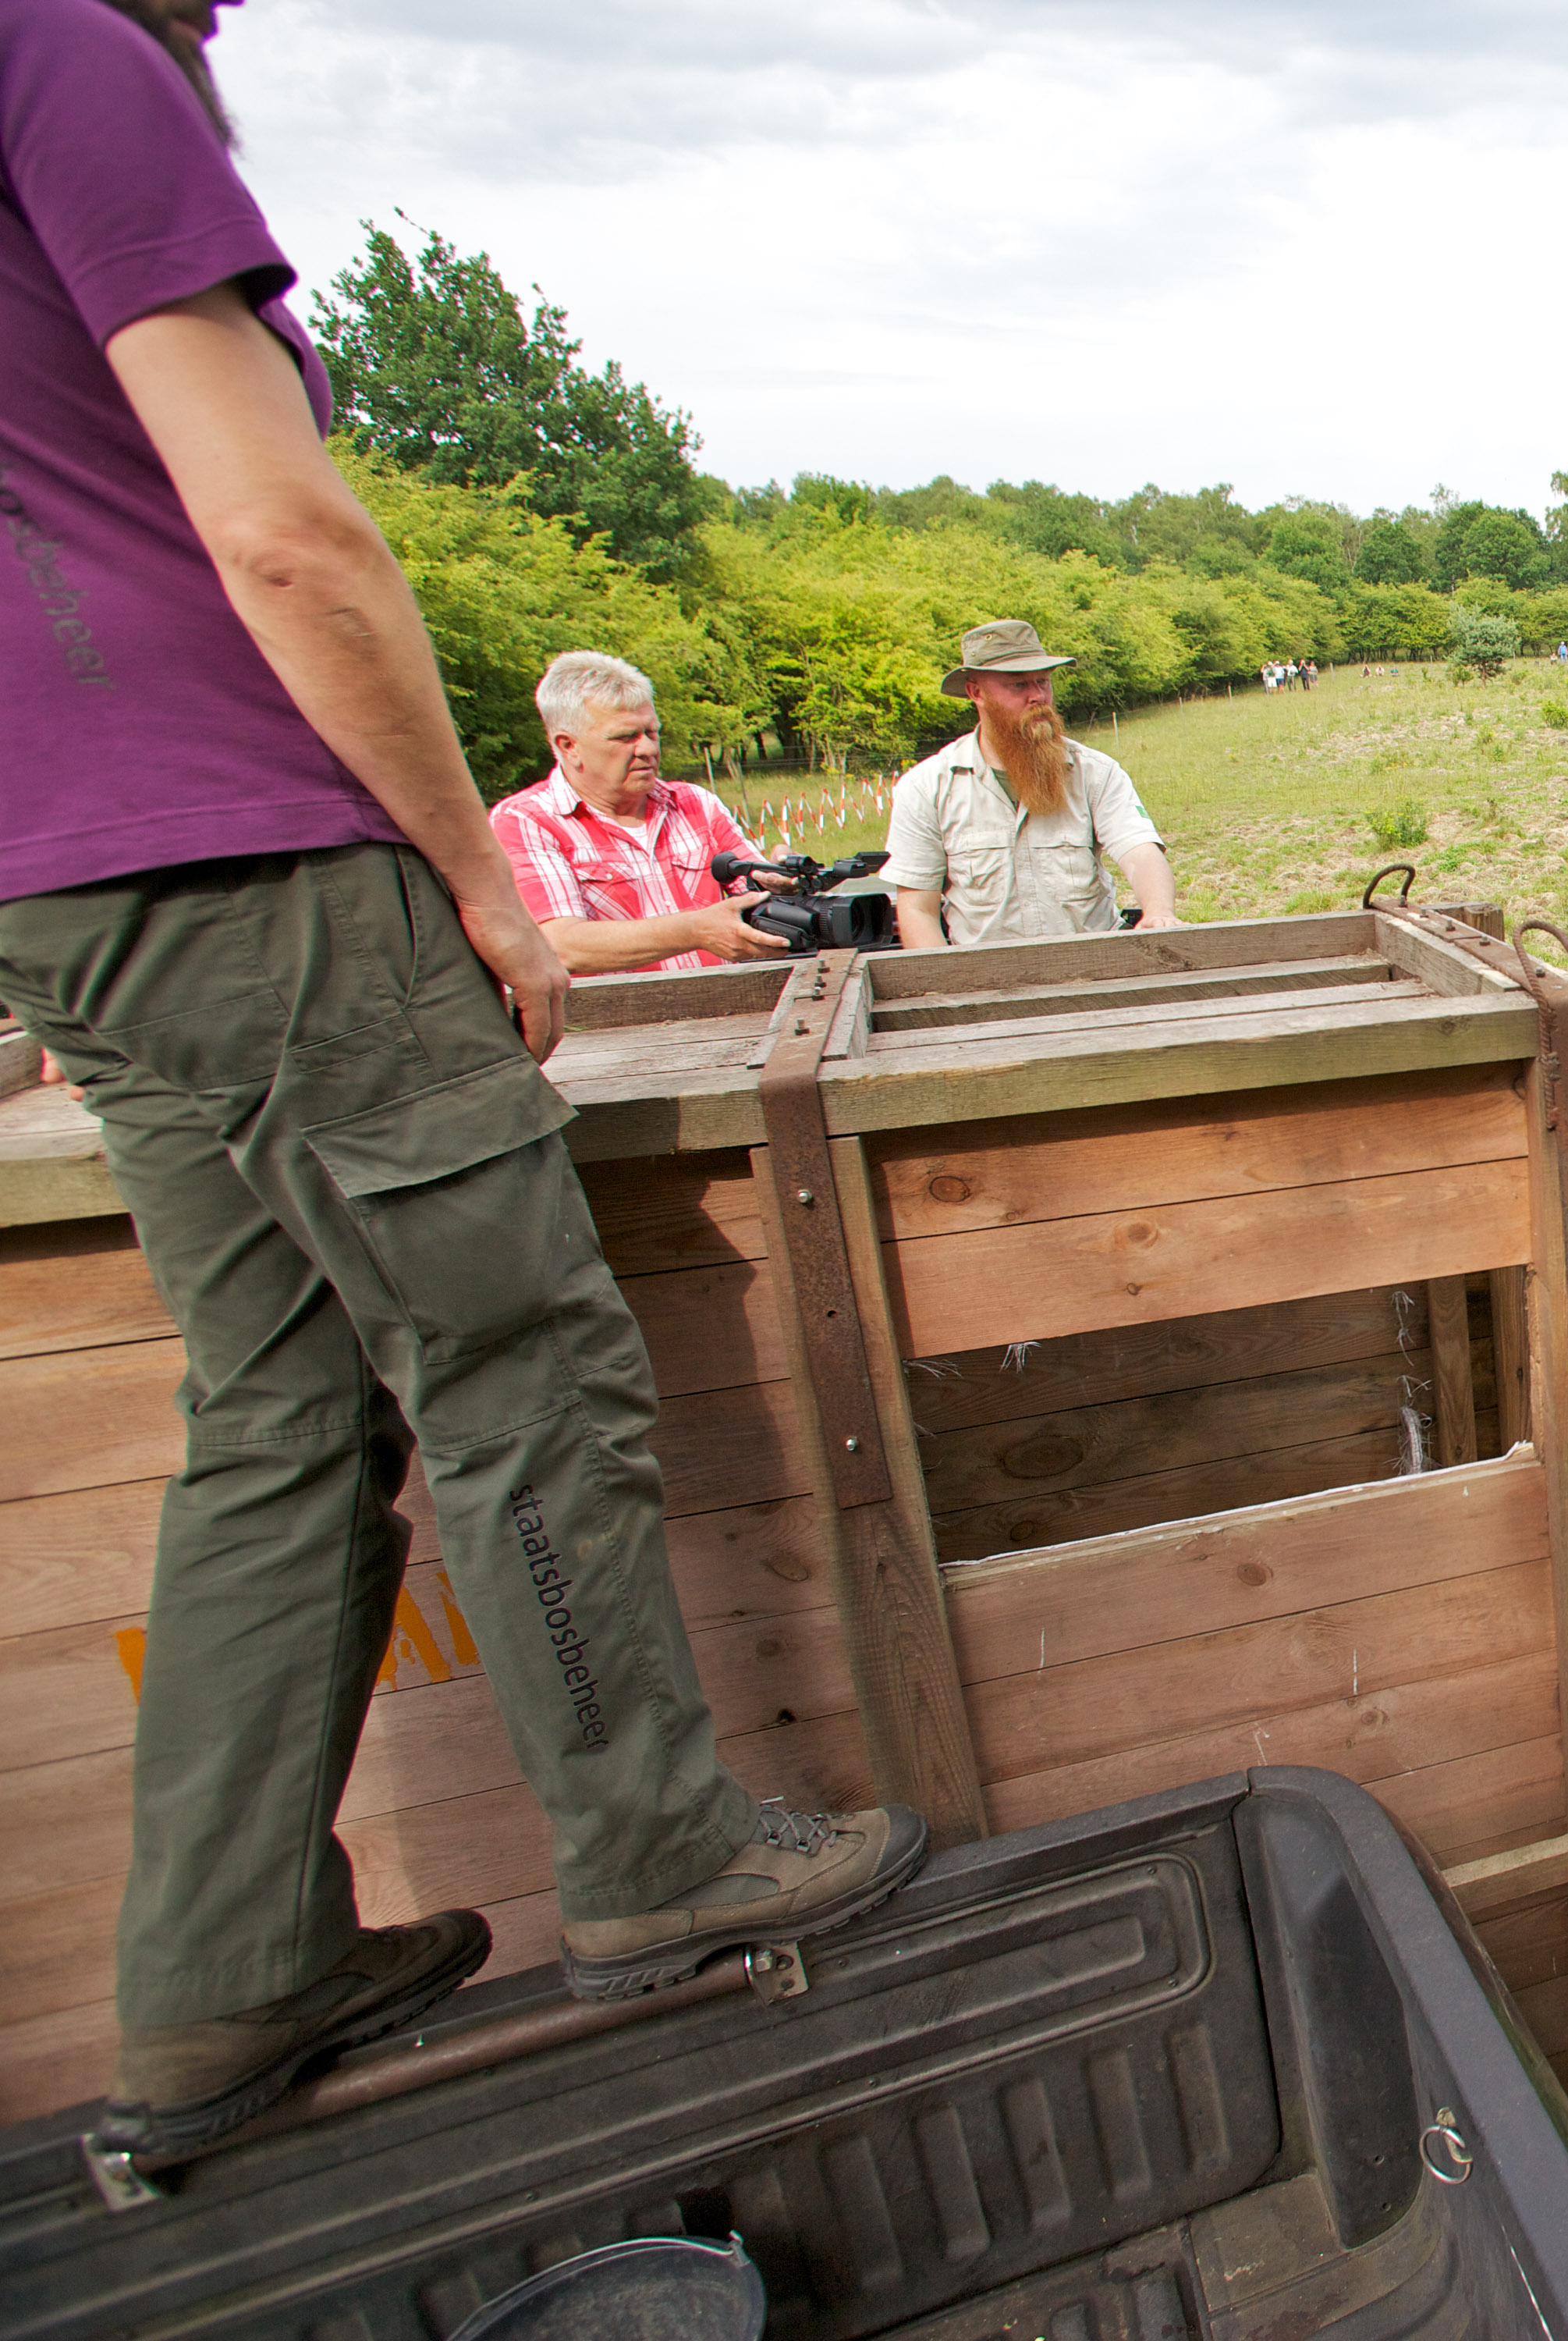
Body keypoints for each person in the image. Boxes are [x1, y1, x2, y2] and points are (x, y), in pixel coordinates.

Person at [0, 0, 924, 2159]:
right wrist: (472, 884)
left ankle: (222, 1972)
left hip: (76, 896)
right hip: (264, 867)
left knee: (275, 1418)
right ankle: (650, 1846)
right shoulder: (67, 50)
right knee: (518, 1361)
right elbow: (288, 539)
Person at [491, 652, 789, 975]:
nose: (647, 749)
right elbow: (562, 945)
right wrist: (695, 931)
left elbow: (752, 898)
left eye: (651, 732)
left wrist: (785, 882)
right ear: (568, 746)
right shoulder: (524, 821)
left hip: (734, 1011)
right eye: (625, 737)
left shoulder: (693, 803)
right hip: (622, 1023)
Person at [883, 619, 1176, 947]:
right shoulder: (927, 788)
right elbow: (917, 909)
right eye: (1018, 685)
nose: (1038, 696)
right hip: (987, 981)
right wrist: (949, 988)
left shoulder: (1094, 772)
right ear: (976, 692)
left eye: (1043, 681)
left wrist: (1158, 911)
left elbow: (1139, 849)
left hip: (1094, 971)